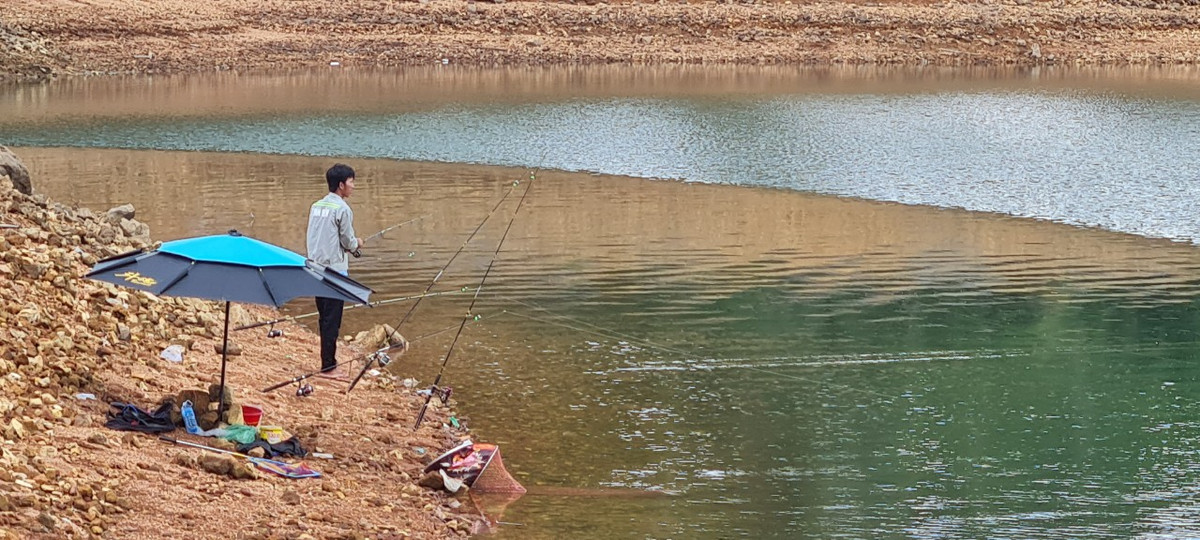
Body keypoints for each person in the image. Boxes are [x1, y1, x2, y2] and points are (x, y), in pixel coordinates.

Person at [306, 163, 363, 378]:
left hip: (315, 268)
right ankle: (328, 367)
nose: (353, 186)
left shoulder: (316, 206)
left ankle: (327, 361)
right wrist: (358, 243)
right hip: (335, 272)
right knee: (332, 319)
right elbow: (348, 242)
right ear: (341, 185)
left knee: (324, 317)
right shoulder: (343, 209)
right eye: (351, 182)